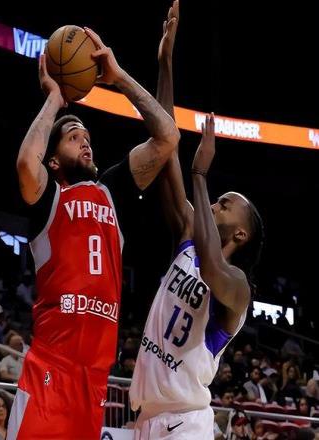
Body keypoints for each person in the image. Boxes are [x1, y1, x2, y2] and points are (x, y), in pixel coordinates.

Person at [8, 20, 180, 439]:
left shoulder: (112, 191)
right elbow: (26, 163)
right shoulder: (50, 197)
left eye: (86, 136)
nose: (85, 141)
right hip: (49, 374)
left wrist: (118, 77)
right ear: (54, 160)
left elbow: (167, 137)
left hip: (94, 383)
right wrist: (55, 99)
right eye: (72, 137)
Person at [130, 2, 264, 438]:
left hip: (186, 423)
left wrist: (202, 176)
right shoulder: (190, 236)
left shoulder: (237, 289)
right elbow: (166, 143)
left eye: (225, 205)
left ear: (240, 233)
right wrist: (165, 63)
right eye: (217, 200)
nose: (215, 205)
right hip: (148, 419)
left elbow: (211, 268)